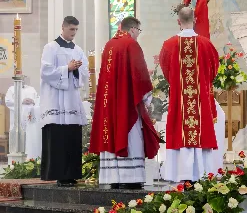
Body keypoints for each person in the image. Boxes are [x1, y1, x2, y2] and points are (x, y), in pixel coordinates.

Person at [90, 16, 160, 190]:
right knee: (131, 137)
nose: (138, 35)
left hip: (110, 103)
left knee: (112, 135)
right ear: (133, 29)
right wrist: (146, 97)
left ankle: (114, 177)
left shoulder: (109, 45)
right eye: (138, 32)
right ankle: (131, 177)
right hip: (127, 103)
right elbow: (140, 74)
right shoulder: (131, 44)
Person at [159, 7, 219, 183]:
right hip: (200, 100)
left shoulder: (169, 45)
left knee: (180, 131)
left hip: (180, 99)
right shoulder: (206, 44)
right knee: (201, 131)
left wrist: (179, 84)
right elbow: (214, 69)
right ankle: (203, 175)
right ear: (195, 20)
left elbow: (166, 71)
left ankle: (182, 175)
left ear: (178, 21)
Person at [40, 16, 89, 187]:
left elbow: (84, 73)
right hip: (56, 100)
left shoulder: (78, 49)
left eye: (76, 30)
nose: (73, 33)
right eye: (71, 29)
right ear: (63, 28)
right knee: (58, 137)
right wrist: (66, 68)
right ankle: (59, 174)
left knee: (72, 136)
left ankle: (72, 174)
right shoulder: (51, 47)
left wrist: (77, 70)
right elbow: (45, 72)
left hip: (72, 99)